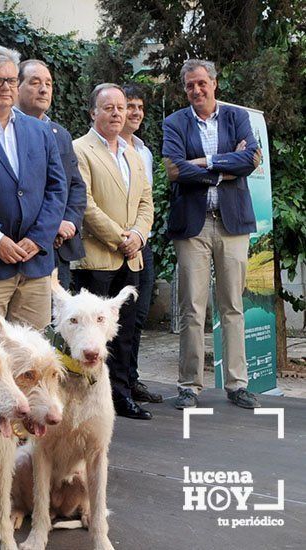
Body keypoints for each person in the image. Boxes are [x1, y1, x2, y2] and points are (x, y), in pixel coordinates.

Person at [163, 59, 262, 410]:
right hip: (193, 226)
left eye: (202, 83)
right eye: (190, 85)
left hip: (232, 223)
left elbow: (251, 160)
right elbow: (176, 170)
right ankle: (190, 385)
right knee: (192, 308)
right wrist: (222, 166)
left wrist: (203, 163)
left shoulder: (236, 117)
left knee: (232, 305)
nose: (196, 90)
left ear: (215, 83)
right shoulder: (174, 122)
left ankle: (237, 384)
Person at [72, 84, 154, 420]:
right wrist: (119, 236)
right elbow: (86, 204)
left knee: (122, 333)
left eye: (121, 108)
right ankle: (84, 394)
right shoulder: (80, 149)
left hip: (130, 256)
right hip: (96, 259)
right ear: (93, 112)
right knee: (89, 335)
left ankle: (119, 394)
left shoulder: (134, 154)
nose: (117, 113)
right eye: (109, 108)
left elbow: (147, 202)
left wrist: (137, 234)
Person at [0, 47, 66, 330]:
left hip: (35, 264)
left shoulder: (39, 130)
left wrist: (38, 238)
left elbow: (57, 188)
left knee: (31, 359)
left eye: (11, 80)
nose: (6, 87)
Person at [14, 59, 86, 291]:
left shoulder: (60, 134)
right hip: (18, 245)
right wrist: (49, 226)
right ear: (16, 86)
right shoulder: (5, 130)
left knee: (55, 323)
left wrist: (69, 222)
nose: (44, 89)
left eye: (48, 83)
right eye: (35, 82)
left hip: (57, 248)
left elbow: (75, 186)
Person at [120, 83, 163, 405]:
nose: (134, 113)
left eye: (139, 107)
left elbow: (146, 201)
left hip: (141, 242)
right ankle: (115, 386)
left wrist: (140, 235)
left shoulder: (144, 151)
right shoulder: (100, 148)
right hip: (115, 244)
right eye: (128, 106)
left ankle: (131, 380)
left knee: (138, 317)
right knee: (115, 322)